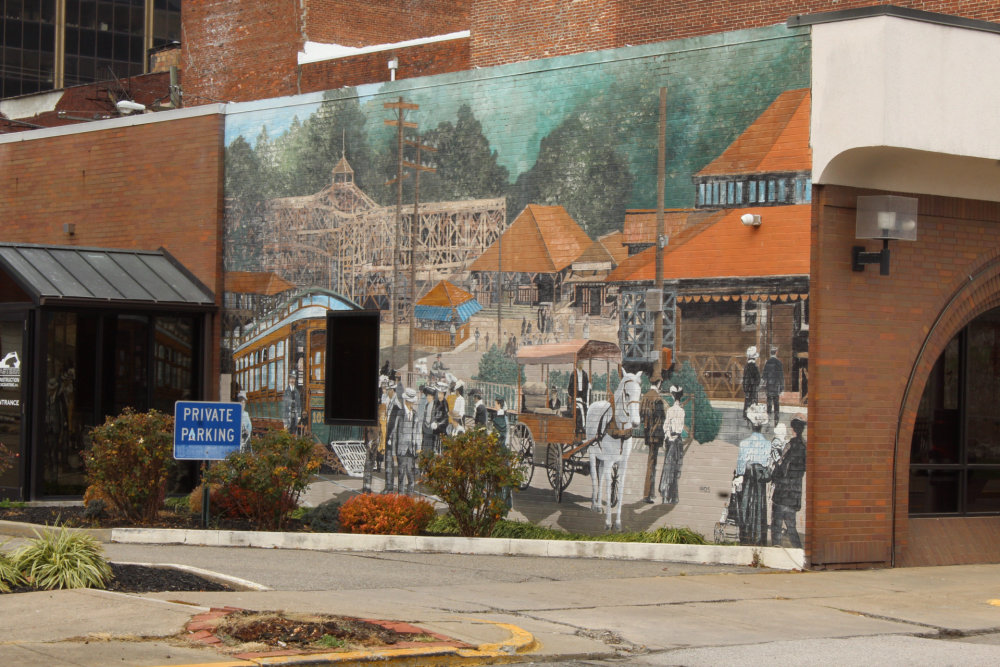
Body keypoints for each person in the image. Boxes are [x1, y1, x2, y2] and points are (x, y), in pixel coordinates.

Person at [734, 403, 771, 545]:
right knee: (759, 508)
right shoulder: (767, 444)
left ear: (750, 424)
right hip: (760, 482)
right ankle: (758, 537)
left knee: (746, 508)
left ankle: (747, 536)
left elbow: (740, 468)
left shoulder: (745, 443)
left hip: (748, 481)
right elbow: (767, 464)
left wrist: (738, 477)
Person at [770, 414, 806, 548]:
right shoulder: (805, 447)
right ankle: (798, 550)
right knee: (791, 526)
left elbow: (781, 464)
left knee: (777, 524)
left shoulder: (790, 445)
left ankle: (776, 549)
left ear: (793, 429)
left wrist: (773, 476)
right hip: (795, 493)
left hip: (783, 491)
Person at [639, 375, 666, 503]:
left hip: (647, 434)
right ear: (659, 383)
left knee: (652, 463)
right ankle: (647, 495)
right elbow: (661, 419)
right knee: (652, 464)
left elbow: (640, 414)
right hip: (655, 436)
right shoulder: (658, 399)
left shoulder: (645, 397)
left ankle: (651, 492)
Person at [391, 388, 421, 495]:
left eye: (413, 402)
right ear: (406, 401)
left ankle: (410, 500)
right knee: (401, 477)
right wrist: (394, 452)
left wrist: (418, 448)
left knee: (411, 477)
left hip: (411, 451)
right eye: (410, 402)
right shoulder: (400, 413)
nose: (412, 404)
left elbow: (418, 432)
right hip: (401, 451)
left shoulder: (415, 414)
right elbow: (395, 433)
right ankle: (401, 500)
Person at [659, 385, 686, 504]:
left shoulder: (670, 410)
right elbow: (680, 428)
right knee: (676, 467)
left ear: (672, 396)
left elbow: (666, 426)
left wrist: (668, 436)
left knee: (668, 467)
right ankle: (673, 496)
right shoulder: (682, 411)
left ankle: (666, 495)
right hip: (678, 440)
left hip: (671, 441)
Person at [382, 381, 404, 493]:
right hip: (388, 436)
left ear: (393, 391)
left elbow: (396, 424)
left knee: (395, 463)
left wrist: (391, 437)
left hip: (394, 438)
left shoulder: (397, 405)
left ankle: (396, 489)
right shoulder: (389, 401)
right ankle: (388, 487)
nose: (387, 392)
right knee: (388, 462)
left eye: (388, 390)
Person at [762, 346, 784, 426]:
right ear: (776, 352)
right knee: (776, 405)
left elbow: (764, 376)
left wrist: (763, 386)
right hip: (776, 387)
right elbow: (781, 376)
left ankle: (768, 421)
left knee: (769, 405)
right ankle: (776, 422)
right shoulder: (779, 363)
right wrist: (782, 387)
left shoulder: (767, 363)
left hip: (769, 387)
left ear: (770, 353)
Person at [568, 360, 590, 433]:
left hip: (582, 396)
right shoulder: (573, 374)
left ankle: (583, 427)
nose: (582, 365)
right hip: (575, 396)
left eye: (582, 364)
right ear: (577, 364)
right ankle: (577, 428)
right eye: (581, 364)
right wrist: (573, 396)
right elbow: (570, 387)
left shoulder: (585, 374)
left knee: (585, 410)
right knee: (576, 411)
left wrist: (584, 398)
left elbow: (586, 387)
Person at [742, 346, 760, 426]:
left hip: (748, 388)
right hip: (754, 389)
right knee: (753, 403)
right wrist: (756, 385)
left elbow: (745, 379)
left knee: (747, 403)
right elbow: (758, 379)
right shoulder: (755, 367)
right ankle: (753, 419)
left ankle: (746, 417)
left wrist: (745, 389)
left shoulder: (746, 367)